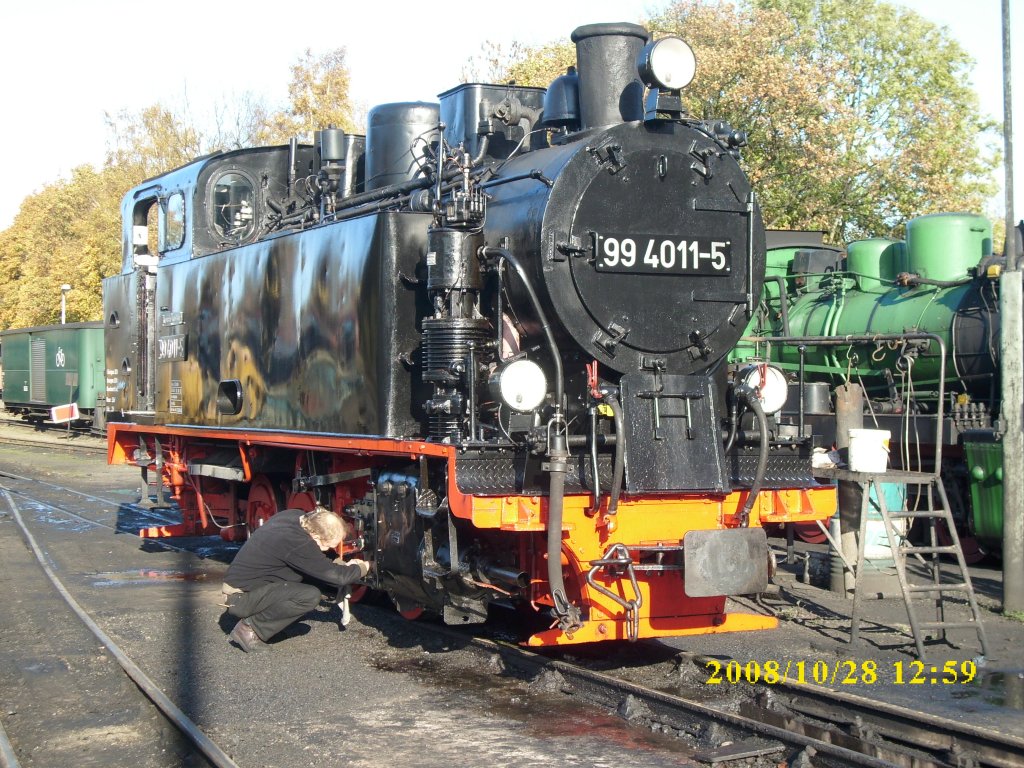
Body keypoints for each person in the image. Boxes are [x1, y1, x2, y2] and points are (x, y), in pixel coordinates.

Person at [222, 505, 370, 652]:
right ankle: (249, 629)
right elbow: (338, 577)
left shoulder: (295, 517)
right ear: (316, 537)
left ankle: (270, 622)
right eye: (327, 546)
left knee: (311, 578)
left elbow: (318, 557)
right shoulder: (296, 542)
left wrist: (341, 563)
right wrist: (367, 566)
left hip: (248, 588)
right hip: (240, 598)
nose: (327, 550)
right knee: (309, 595)